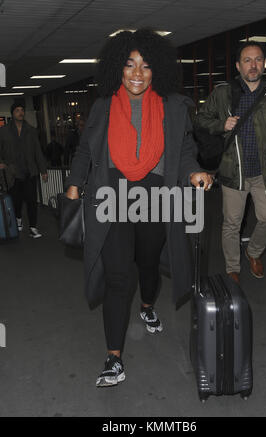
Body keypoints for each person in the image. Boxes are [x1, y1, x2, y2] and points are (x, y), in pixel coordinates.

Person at [66, 29, 212, 387]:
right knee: (118, 276)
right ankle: (113, 358)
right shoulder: (102, 106)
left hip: (155, 197)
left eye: (145, 66)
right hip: (111, 197)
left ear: (155, 70)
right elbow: (86, 150)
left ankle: (147, 305)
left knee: (147, 262)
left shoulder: (172, 106)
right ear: (118, 67)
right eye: (130, 64)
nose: (136, 73)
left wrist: (194, 173)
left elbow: (185, 151)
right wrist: (73, 185)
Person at [195, 41, 266, 284]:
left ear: (264, 64)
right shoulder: (223, 93)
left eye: (258, 59)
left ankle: (253, 252)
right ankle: (232, 267)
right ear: (238, 66)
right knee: (231, 223)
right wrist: (221, 125)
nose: (253, 65)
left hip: (264, 171)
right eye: (248, 60)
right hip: (233, 172)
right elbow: (200, 119)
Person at [0, 102, 48, 238]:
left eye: (22, 110)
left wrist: (43, 170)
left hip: (30, 172)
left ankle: (33, 227)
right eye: (17, 110)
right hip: (12, 173)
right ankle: (18, 218)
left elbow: (38, 152)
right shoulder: (3, 131)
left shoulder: (32, 130)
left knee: (32, 201)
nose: (20, 113)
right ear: (12, 113)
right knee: (16, 201)